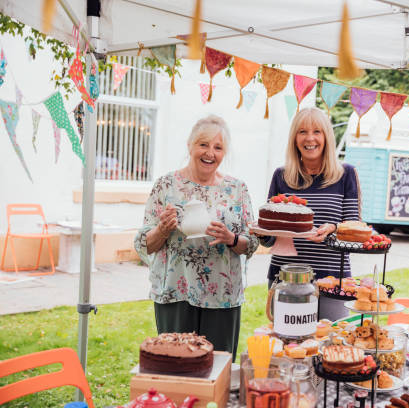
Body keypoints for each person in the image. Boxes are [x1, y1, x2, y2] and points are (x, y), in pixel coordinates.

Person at [134, 115, 259, 361]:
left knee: (219, 369)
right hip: (175, 293)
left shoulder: (237, 189)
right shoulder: (166, 185)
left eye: (218, 147)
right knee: (177, 366)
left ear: (224, 153)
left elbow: (252, 242)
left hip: (222, 296)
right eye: (203, 145)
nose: (210, 153)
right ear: (190, 145)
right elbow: (144, 244)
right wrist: (162, 230)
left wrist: (231, 238)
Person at [262, 107, 361, 321]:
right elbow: (270, 238)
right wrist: (261, 233)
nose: (310, 138)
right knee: (290, 345)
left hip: (334, 279)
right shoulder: (281, 176)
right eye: (302, 132)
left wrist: (333, 228)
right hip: (286, 277)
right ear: (294, 138)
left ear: (327, 136)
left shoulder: (346, 175)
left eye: (317, 131)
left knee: (330, 345)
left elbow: (354, 229)